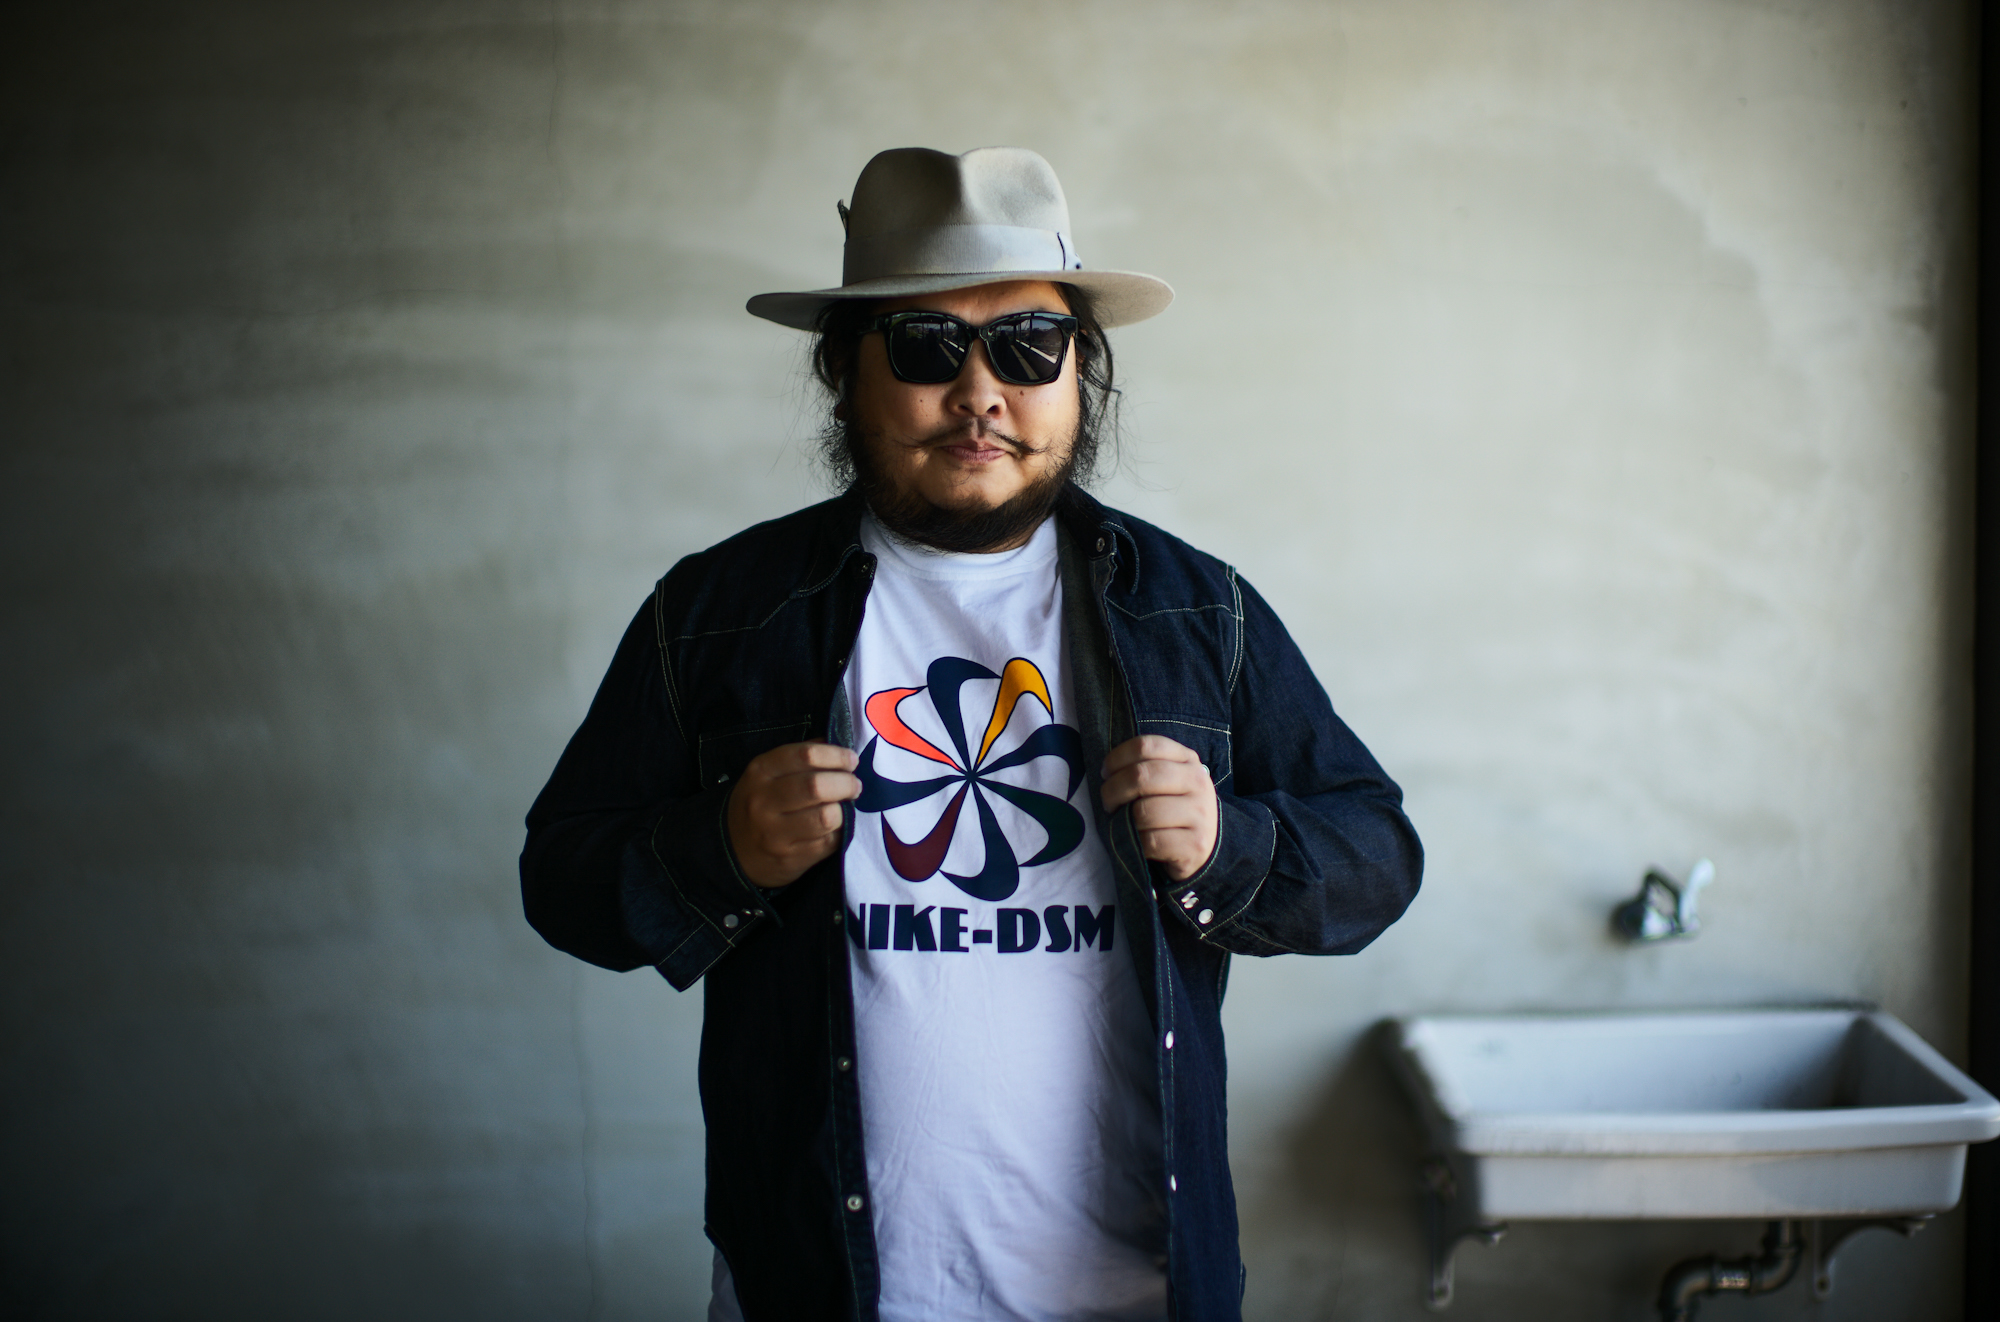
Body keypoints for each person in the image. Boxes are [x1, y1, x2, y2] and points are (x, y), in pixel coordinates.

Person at [521, 146, 1422, 1322]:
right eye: (925, 346)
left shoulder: (1197, 610)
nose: (982, 392)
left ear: (1081, 371)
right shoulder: (717, 610)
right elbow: (561, 879)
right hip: (821, 1286)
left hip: (1136, 1292)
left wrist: (1226, 846)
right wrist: (719, 850)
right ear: (843, 372)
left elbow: (1375, 854)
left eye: (1029, 344)